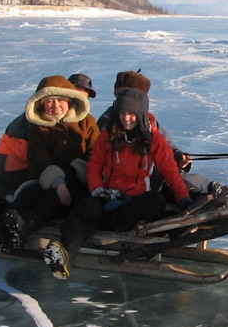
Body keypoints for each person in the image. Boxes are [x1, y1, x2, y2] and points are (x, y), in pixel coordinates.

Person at [44, 88, 192, 279]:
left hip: (132, 210)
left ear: (140, 116)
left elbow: (171, 172)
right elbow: (94, 167)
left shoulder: (154, 140)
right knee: (86, 206)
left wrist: (184, 198)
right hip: (108, 201)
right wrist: (98, 191)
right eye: (122, 113)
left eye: (131, 114)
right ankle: (65, 254)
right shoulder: (107, 137)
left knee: (156, 200)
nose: (126, 118)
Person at [0, 75, 99, 250]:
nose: (55, 106)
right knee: (30, 192)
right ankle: (2, 225)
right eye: (50, 101)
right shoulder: (38, 127)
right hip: (48, 180)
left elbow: (95, 154)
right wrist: (56, 181)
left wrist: (74, 173)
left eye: (60, 100)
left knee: (53, 198)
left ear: (69, 100)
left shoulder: (87, 122)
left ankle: (26, 226)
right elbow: (38, 157)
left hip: (78, 183)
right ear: (42, 103)